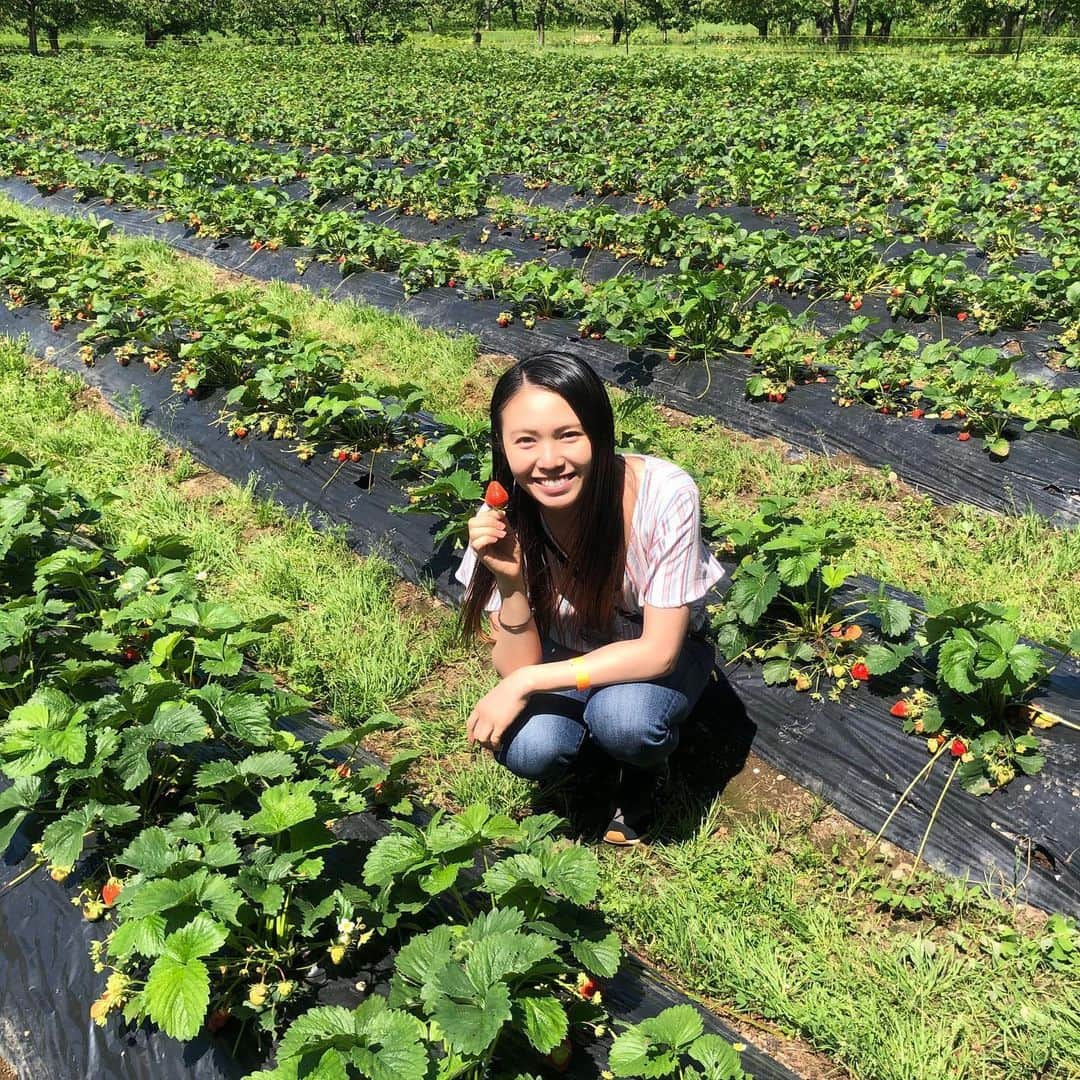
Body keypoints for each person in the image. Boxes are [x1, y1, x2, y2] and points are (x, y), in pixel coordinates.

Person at [455, 352, 723, 845]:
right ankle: (592, 760)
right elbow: (516, 666)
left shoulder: (664, 494)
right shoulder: (501, 520)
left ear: (600, 432)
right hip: (568, 657)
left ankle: (645, 766)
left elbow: (659, 650)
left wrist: (532, 682)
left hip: (654, 656)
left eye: (568, 435)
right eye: (526, 441)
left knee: (625, 720)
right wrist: (511, 581)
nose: (550, 460)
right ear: (503, 446)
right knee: (531, 747)